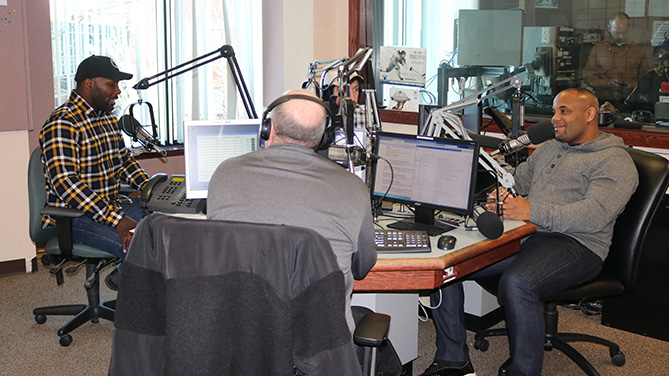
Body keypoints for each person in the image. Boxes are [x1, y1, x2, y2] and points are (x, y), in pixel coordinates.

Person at [419, 88, 638, 376]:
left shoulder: (615, 161)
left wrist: (531, 211)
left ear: (589, 114)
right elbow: (519, 182)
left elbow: (594, 216)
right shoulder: (550, 147)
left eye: (564, 111)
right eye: (554, 111)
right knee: (449, 264)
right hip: (530, 234)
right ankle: (453, 360)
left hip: (580, 245)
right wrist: (499, 194)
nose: (555, 119)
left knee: (517, 282)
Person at [206, 89, 377, 332]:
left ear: (269, 128)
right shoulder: (354, 188)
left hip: (240, 339)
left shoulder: (225, 174)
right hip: (320, 349)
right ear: (323, 137)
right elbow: (362, 267)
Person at [40, 55, 149, 288]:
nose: (118, 91)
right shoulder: (63, 123)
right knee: (141, 247)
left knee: (164, 228)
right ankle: (139, 304)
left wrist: (150, 188)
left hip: (109, 206)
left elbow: (124, 161)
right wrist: (117, 219)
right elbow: (66, 184)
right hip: (73, 217)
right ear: (89, 84)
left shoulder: (108, 119)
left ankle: (123, 275)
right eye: (112, 84)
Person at [582, 13, 649, 111]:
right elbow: (587, 76)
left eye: (624, 32)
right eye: (617, 32)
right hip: (602, 102)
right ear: (609, 28)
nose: (621, 36)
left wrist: (632, 85)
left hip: (630, 103)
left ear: (629, 28)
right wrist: (606, 83)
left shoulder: (638, 50)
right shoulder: (599, 49)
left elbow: (647, 79)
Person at [625, 34, 669, 113]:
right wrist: (616, 111)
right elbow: (630, 105)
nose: (661, 57)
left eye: (665, 53)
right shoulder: (649, 76)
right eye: (660, 53)